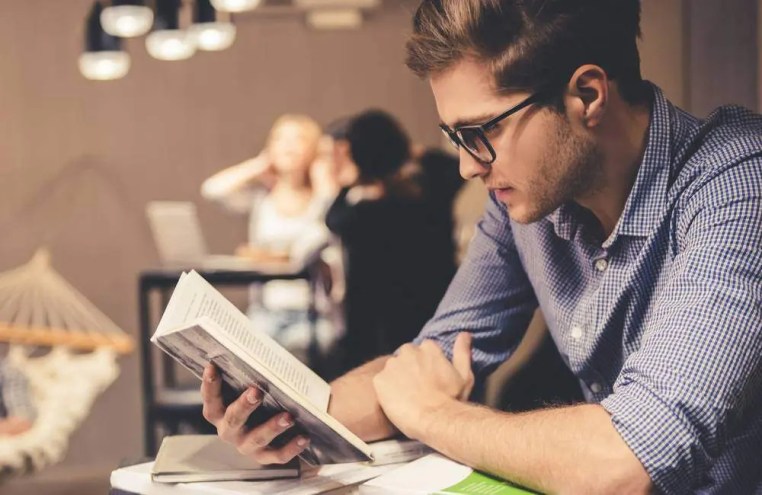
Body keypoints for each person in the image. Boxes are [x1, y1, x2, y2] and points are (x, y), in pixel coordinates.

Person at [199, 1, 762, 492]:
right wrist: (281, 418)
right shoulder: (526, 201)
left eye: (482, 132)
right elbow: (432, 361)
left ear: (587, 95)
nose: (469, 166)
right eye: (456, 139)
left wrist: (433, 415)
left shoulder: (739, 185)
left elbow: (627, 462)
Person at [325, 110, 459, 373]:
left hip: (381, 330)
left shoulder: (360, 215)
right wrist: (409, 152)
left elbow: (332, 218)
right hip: (437, 312)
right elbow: (451, 168)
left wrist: (347, 184)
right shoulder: (432, 199)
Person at [201, 114, 339, 359]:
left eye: (299, 139)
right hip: (266, 312)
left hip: (311, 313)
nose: (288, 146)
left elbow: (331, 229)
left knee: (306, 352)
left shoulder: (324, 198)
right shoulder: (262, 198)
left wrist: (324, 184)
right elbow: (212, 190)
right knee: (238, 354)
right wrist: (259, 165)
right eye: (280, 139)